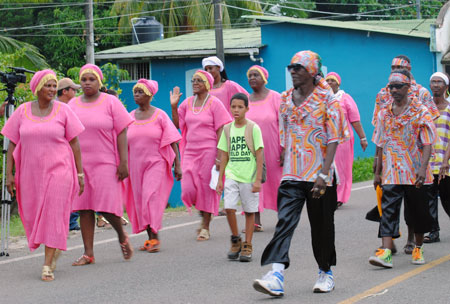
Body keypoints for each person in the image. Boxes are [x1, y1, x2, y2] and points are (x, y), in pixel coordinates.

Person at [253, 51, 348, 297]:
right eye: (291, 67)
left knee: (322, 227)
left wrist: (324, 175)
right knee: (284, 223)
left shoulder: (329, 100)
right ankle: (276, 274)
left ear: (312, 71)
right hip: (292, 175)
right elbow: (284, 131)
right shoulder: (285, 98)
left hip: (320, 175)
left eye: (298, 67)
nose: (292, 71)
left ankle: (325, 272)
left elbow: (335, 139)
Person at [2, 69, 85, 281]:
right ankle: (54, 246)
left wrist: (80, 173)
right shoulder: (22, 111)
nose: (51, 89)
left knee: (53, 213)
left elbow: (74, 143)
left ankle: (47, 264)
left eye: (54, 85)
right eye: (47, 85)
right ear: (38, 88)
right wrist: (9, 174)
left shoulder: (64, 110)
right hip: (30, 174)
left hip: (61, 170)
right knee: (34, 212)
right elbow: (12, 143)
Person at [371, 55, 439, 254]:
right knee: (389, 205)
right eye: (392, 66)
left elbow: (429, 129)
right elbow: (379, 132)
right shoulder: (383, 95)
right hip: (392, 164)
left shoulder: (422, 96)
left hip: (414, 160)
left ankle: (413, 241)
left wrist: (423, 164)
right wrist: (377, 167)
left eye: (399, 67)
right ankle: (386, 247)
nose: (393, 90)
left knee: (415, 207)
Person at [69, 64, 134, 265]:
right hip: (80, 164)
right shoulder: (72, 104)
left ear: (100, 81)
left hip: (106, 161)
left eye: (92, 79)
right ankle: (88, 253)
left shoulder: (111, 102)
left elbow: (122, 131)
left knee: (105, 206)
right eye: (84, 79)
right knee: (84, 207)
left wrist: (123, 161)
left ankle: (121, 235)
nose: (87, 83)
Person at [170, 70, 232, 241]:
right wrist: (174, 106)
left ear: (207, 84)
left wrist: (220, 156)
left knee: (206, 188)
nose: (195, 83)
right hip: (190, 150)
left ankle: (205, 225)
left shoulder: (215, 103)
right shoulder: (187, 103)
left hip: (209, 150)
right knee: (188, 188)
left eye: (199, 80)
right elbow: (177, 124)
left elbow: (221, 130)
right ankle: (205, 212)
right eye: (193, 80)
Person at [126, 79, 182, 252]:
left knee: (151, 196)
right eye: (135, 91)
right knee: (141, 201)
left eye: (140, 92)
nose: (136, 94)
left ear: (150, 95)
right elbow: (121, 142)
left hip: (156, 162)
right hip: (135, 165)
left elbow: (172, 141)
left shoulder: (160, 116)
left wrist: (177, 165)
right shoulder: (129, 117)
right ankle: (150, 238)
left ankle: (155, 238)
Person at [216, 93, 264, 262]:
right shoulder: (227, 129)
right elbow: (224, 156)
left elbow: (259, 155)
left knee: (250, 212)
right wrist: (220, 180)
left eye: (240, 107)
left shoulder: (253, 128)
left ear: (246, 109)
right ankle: (236, 239)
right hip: (232, 175)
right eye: (233, 107)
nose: (236, 110)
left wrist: (258, 180)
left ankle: (247, 245)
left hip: (249, 177)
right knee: (229, 207)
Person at [245, 65, 282, 231]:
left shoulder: (275, 97)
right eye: (250, 75)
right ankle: (255, 221)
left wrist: (285, 148)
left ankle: (284, 218)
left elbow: (285, 124)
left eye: (256, 75)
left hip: (273, 148)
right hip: (251, 150)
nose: (252, 78)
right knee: (252, 183)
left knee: (277, 183)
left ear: (264, 78)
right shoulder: (245, 100)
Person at [325, 72, 367, 207]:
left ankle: (339, 197)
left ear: (338, 83)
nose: (330, 83)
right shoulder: (323, 98)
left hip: (343, 139)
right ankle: (328, 194)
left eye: (332, 80)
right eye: (328, 80)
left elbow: (355, 120)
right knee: (328, 166)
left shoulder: (345, 98)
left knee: (342, 168)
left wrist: (363, 138)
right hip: (326, 139)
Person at [425, 72, 450, 243]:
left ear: (446, 86)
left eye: (439, 82)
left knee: (447, 197)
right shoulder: (425, 108)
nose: (435, 85)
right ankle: (433, 232)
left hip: (446, 160)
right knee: (429, 199)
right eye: (433, 82)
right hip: (428, 161)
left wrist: (445, 161)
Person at [56, 77, 82, 231]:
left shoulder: (71, 107)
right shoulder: (58, 108)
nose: (76, 93)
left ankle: (70, 220)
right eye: (73, 90)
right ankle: (70, 221)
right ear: (65, 91)